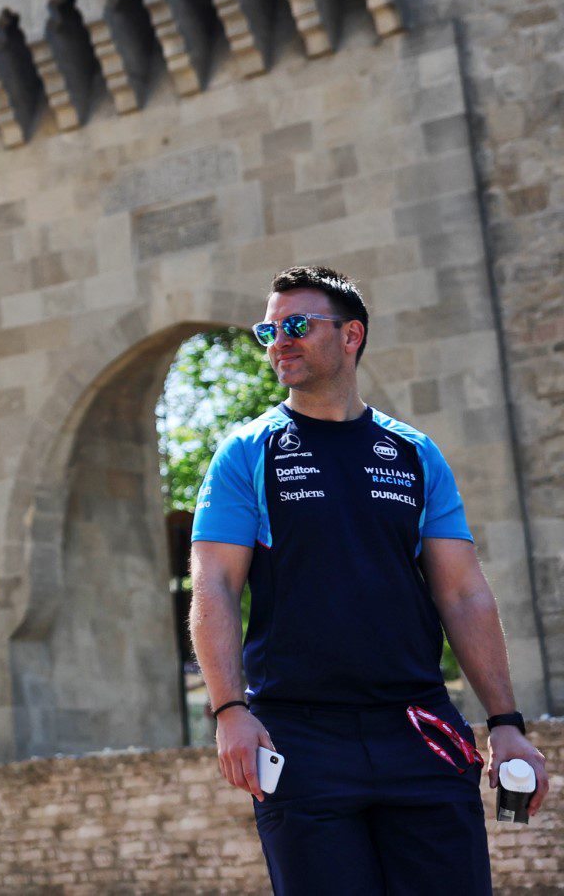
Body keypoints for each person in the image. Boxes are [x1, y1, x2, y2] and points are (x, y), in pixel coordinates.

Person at [191, 265, 549, 895]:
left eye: (297, 325)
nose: (280, 341)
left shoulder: (415, 453)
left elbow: (463, 593)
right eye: (268, 330)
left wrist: (506, 723)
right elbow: (214, 587)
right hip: (300, 736)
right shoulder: (248, 452)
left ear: (351, 334)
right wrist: (229, 710)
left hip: (419, 725)